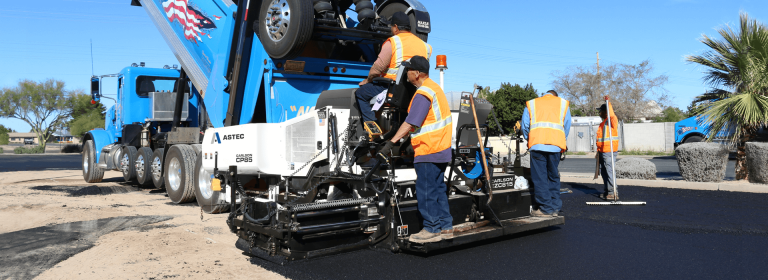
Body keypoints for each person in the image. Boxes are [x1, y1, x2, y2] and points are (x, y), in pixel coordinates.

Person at [377, 56, 452, 243]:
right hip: (440, 149)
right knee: (438, 189)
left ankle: (432, 228)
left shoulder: (423, 93)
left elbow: (411, 122)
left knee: (426, 190)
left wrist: (391, 143)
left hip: (428, 150)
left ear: (417, 73)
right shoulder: (435, 89)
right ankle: (445, 226)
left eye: (408, 70)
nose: (406, 74)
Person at [355, 11, 432, 124]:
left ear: (395, 27)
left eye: (391, 26)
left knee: (360, 94)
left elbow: (377, 68)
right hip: (413, 90)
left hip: (391, 88)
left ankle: (372, 130)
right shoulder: (426, 47)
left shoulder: (393, 42)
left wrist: (368, 80)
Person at [521, 90, 571, 217]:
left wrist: (530, 138)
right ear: (555, 96)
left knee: (540, 177)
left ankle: (546, 208)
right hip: (556, 145)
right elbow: (567, 125)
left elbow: (525, 125)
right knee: (553, 176)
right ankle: (554, 207)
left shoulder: (532, 104)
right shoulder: (563, 103)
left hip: (537, 145)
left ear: (545, 95)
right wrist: (559, 139)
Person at [596, 98, 620, 200]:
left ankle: (613, 192)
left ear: (605, 111)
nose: (599, 113)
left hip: (609, 151)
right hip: (602, 151)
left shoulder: (611, 121)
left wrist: (608, 102)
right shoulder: (603, 123)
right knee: (604, 172)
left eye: (600, 111)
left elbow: (612, 114)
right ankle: (607, 191)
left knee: (610, 171)